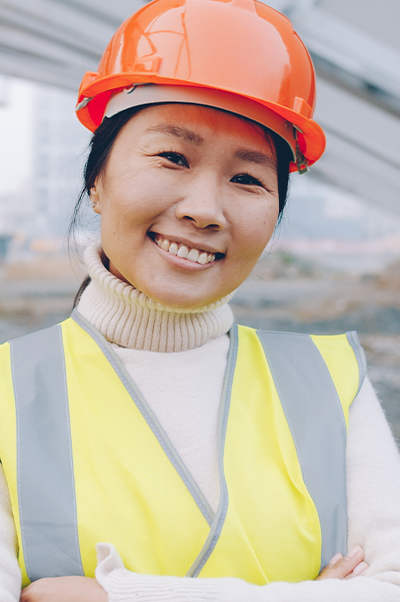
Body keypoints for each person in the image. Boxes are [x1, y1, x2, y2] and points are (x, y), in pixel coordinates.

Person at [0, 0, 400, 600]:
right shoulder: (8, 394)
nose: (204, 210)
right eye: (172, 156)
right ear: (97, 180)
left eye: (248, 178)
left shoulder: (332, 383)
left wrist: (117, 595)